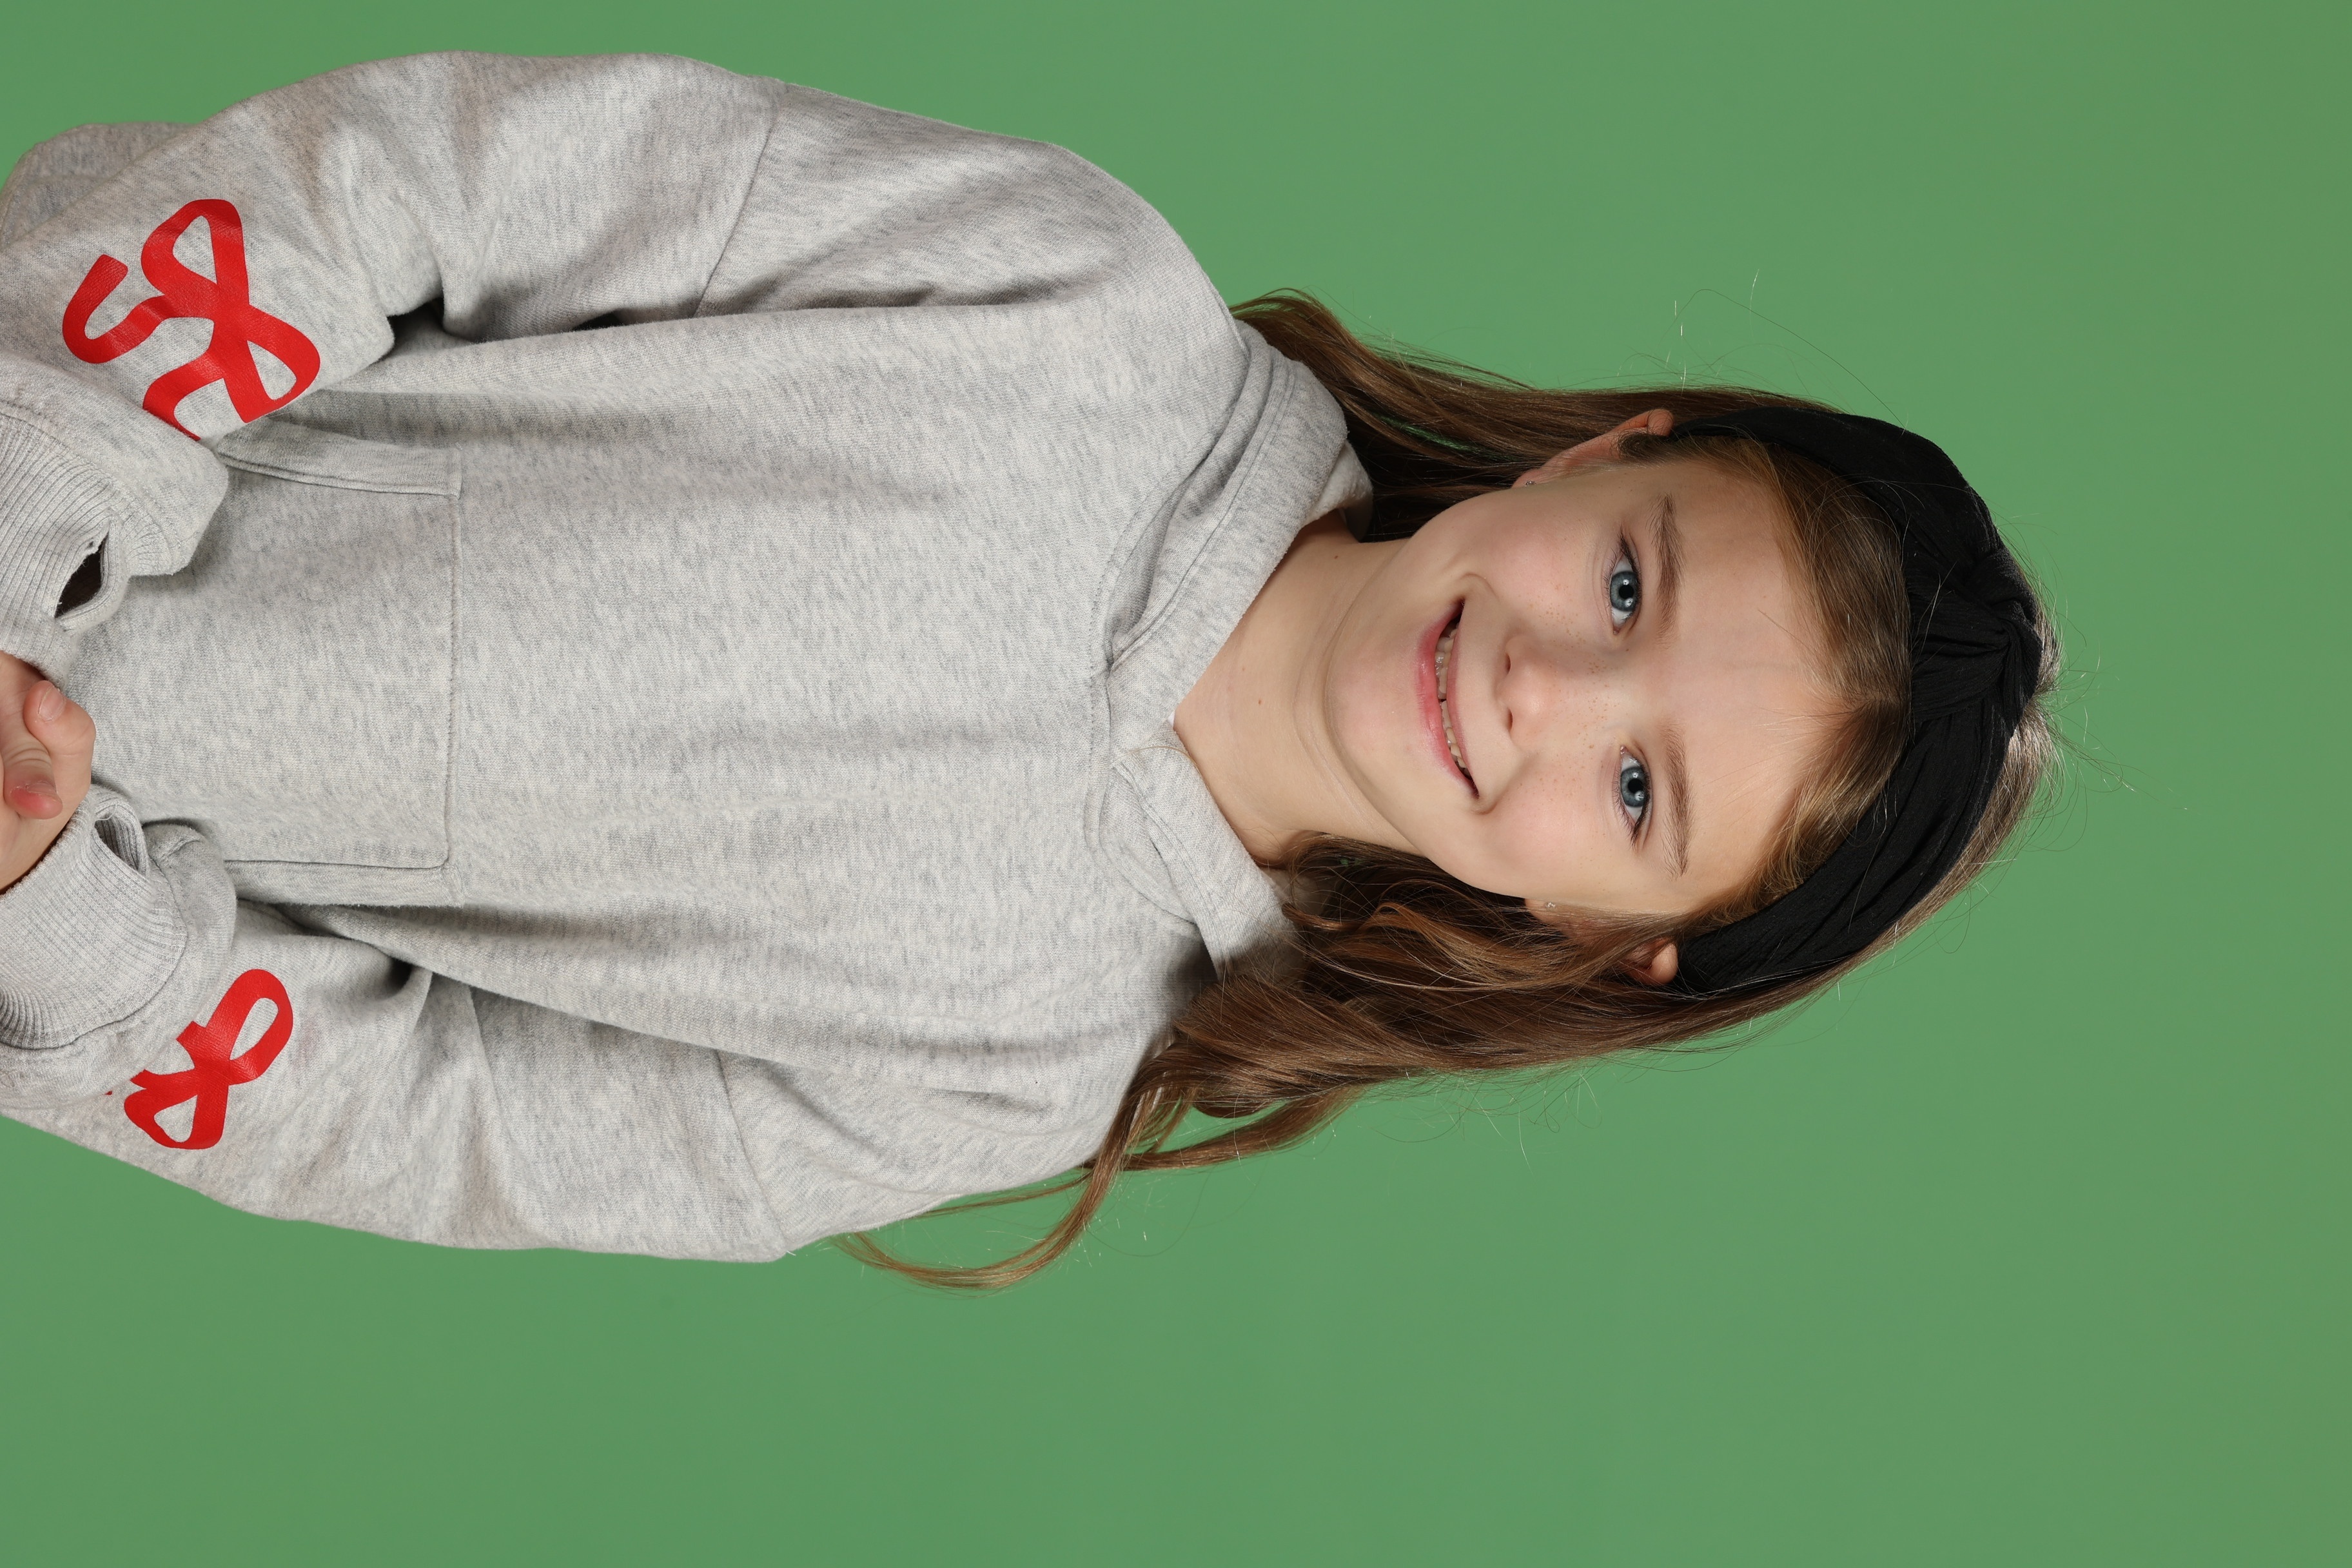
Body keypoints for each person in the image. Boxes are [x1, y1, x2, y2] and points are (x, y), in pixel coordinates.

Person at [0, 52, 2057, 1286]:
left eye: (1638, 792)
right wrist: (32, 503)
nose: (1544, 690)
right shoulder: (1076, 296)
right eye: (1626, 584)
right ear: (1608, 459)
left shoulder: (1025, 1074)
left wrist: (47, 910)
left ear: (1614, 937)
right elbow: (438, 178)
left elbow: (433, 1123)